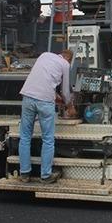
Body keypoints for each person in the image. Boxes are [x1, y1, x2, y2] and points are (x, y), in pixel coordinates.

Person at [17, 49, 76, 184]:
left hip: (28, 96)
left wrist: (56, 96)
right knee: (48, 140)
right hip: (44, 102)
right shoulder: (65, 64)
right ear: (68, 59)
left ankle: (24, 174)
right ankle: (45, 176)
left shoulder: (44, 55)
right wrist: (69, 106)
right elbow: (65, 91)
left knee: (25, 137)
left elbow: (42, 79)